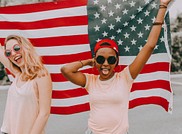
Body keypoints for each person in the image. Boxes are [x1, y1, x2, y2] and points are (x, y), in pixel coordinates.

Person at [61, 0, 172, 133]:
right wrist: (88, 62)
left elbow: (149, 46)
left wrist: (162, 7)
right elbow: (66, 70)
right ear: (95, 59)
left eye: (111, 59)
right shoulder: (90, 81)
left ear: (116, 62)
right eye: (101, 59)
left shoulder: (125, 77)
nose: (106, 64)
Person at [0, 35, 52, 134]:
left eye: (16, 48)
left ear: (26, 47)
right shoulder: (18, 74)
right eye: (8, 52)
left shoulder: (42, 75)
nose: (13, 53)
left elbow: (44, 113)